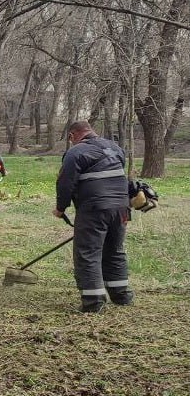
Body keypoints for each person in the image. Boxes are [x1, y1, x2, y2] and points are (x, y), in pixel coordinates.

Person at [54, 121, 132, 313]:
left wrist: (60, 208)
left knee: (88, 252)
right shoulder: (115, 148)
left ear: (72, 135)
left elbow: (65, 182)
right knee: (114, 250)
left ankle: (93, 300)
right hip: (121, 207)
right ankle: (121, 294)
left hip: (95, 208)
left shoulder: (76, 152)